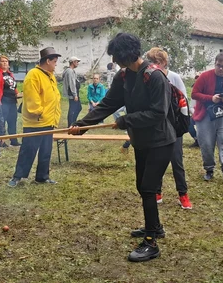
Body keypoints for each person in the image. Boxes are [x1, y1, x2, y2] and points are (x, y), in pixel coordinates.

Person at [69, 33, 176, 262]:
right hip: (142, 141)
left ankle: (151, 244)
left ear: (127, 54)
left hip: (161, 141)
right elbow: (109, 103)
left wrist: (127, 120)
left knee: (148, 188)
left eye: (117, 56)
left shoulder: (154, 76)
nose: (115, 61)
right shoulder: (124, 76)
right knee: (142, 186)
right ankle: (154, 227)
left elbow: (159, 114)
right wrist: (83, 124)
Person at [142, 47, 192, 209]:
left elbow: (183, 101)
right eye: (151, 62)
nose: (154, 65)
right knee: (156, 161)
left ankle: (183, 195)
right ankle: (157, 191)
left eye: (157, 62)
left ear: (164, 62)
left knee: (177, 162)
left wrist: (181, 126)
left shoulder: (174, 77)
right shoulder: (148, 78)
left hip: (174, 128)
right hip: (156, 129)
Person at [7, 47, 62, 187]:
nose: (56, 64)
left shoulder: (50, 76)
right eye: (55, 61)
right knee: (28, 151)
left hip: (49, 121)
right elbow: (32, 98)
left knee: (46, 151)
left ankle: (42, 177)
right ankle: (17, 177)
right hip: (36, 122)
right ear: (48, 61)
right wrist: (40, 112)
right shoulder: (34, 74)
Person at [191, 53, 223, 183]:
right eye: (218, 65)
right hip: (205, 114)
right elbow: (194, 94)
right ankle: (209, 169)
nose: (221, 68)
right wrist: (210, 98)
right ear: (215, 64)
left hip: (222, 114)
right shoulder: (204, 76)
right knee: (206, 143)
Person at [0, 55, 20, 147]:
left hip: (12, 102)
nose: (5, 63)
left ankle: (14, 141)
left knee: (12, 121)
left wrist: (17, 94)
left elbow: (13, 86)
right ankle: (1, 141)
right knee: (1, 122)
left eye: (6, 61)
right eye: (2, 61)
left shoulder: (10, 74)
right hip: (2, 102)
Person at [63, 56, 82, 126]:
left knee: (78, 108)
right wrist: (75, 94)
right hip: (72, 93)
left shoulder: (71, 71)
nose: (78, 63)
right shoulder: (70, 71)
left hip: (74, 93)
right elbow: (72, 84)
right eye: (77, 62)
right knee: (72, 109)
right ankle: (71, 124)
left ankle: (73, 122)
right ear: (73, 62)